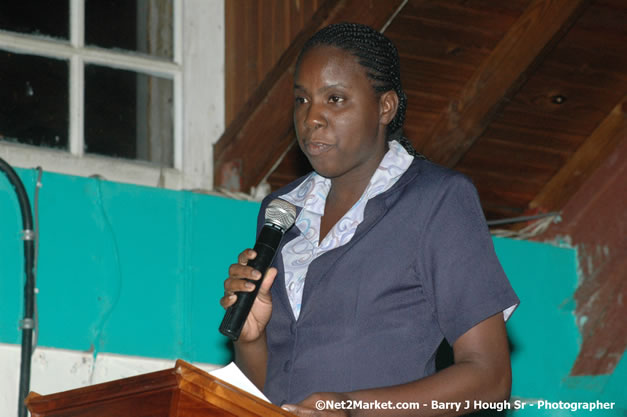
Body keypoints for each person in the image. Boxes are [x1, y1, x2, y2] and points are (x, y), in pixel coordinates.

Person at [220, 22, 519, 416]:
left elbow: (490, 377)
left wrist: (349, 408)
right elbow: (272, 389)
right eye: (302, 100)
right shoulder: (281, 211)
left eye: (336, 99)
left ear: (385, 107)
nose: (312, 118)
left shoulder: (436, 199)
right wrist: (251, 339)